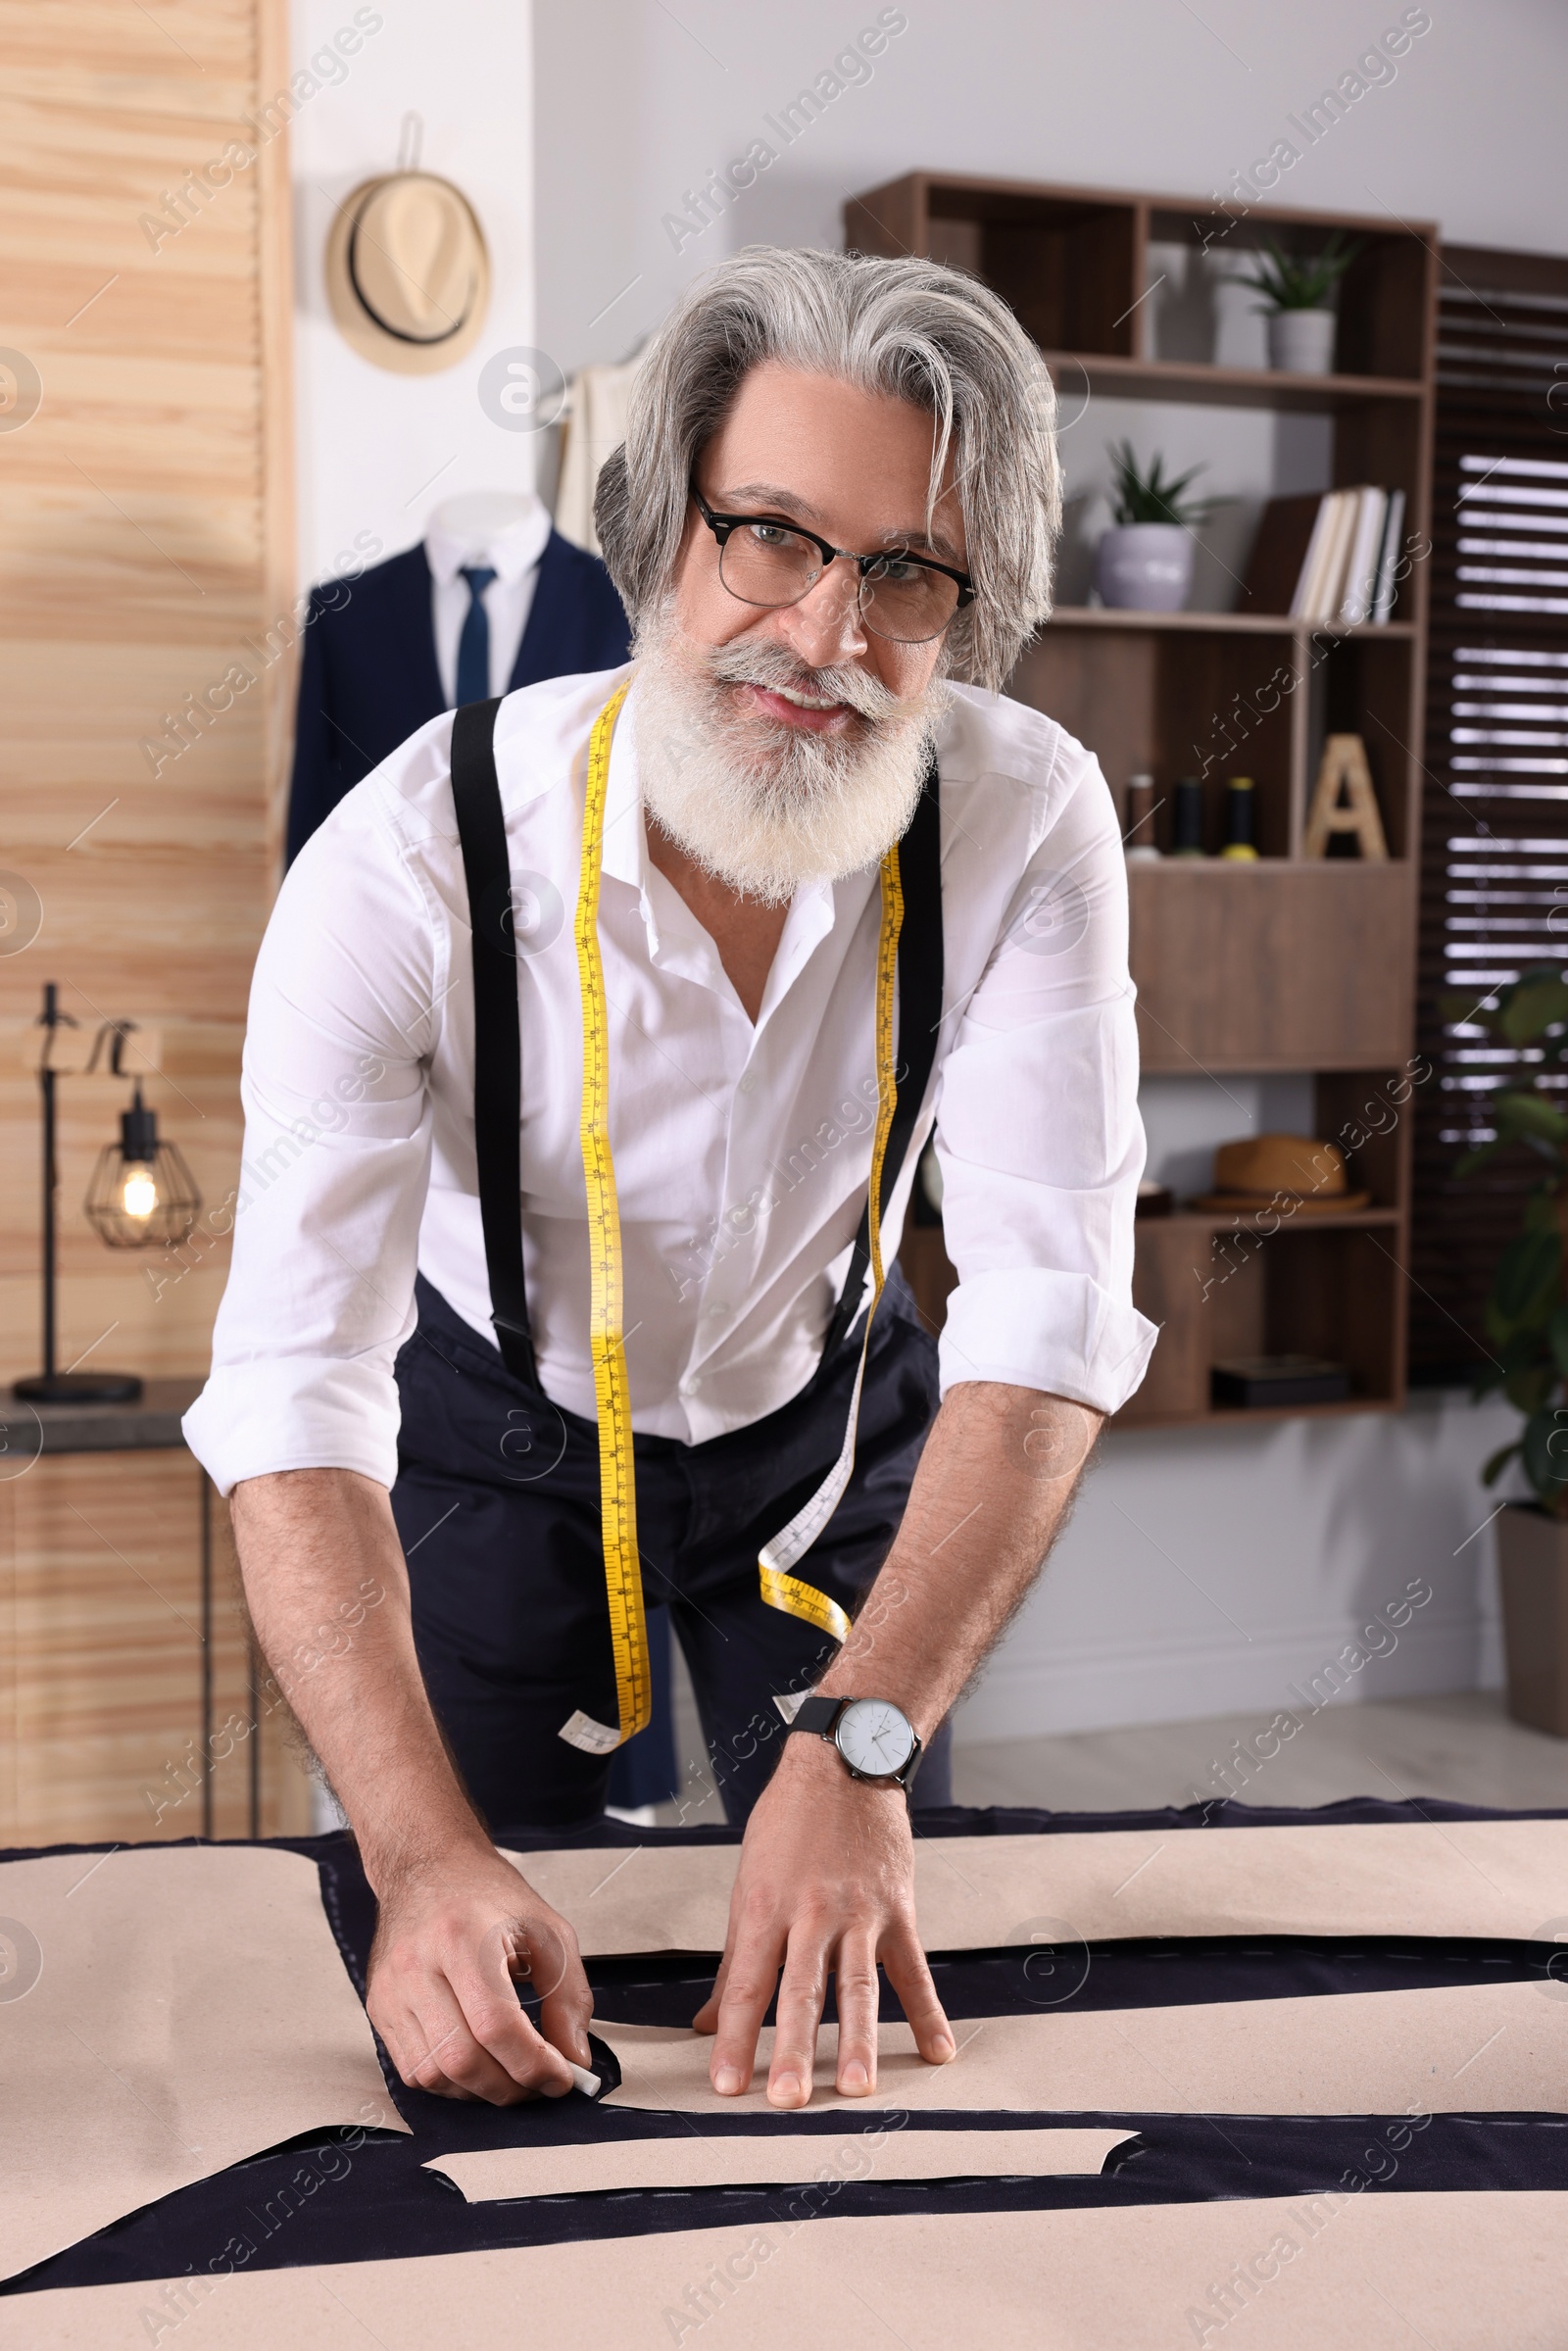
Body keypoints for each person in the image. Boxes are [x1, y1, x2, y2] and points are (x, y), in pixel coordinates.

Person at [183, 245, 1155, 2118]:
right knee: (469, 2017)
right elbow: (292, 1390)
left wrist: (859, 1757)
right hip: (489, 1449)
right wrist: (416, 1859)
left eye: (908, 575)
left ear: (972, 612)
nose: (825, 638)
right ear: (657, 541)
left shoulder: (1028, 820)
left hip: (832, 1441)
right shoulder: (406, 865)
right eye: (773, 538)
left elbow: (1046, 1322)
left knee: (861, 2017)